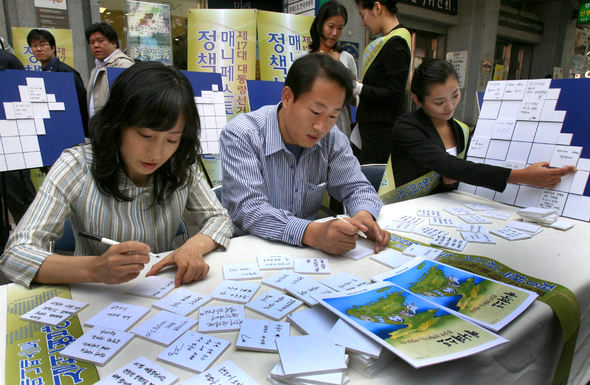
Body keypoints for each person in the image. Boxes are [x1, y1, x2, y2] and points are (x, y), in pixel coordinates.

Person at [0, 61, 233, 288]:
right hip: (98, 294)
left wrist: (193, 247)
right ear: (118, 123)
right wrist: (95, 268)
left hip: (162, 288)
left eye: (172, 139)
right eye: (145, 135)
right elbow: (15, 255)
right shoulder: (78, 165)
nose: (157, 153)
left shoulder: (179, 163)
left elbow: (219, 218)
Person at [220, 53, 389, 256]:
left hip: (307, 255)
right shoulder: (243, 134)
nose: (321, 127)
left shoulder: (331, 138)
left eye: (333, 116)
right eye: (316, 112)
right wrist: (312, 232)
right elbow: (248, 210)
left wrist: (363, 214)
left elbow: (356, 187)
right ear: (287, 97)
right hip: (250, 251)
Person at [381, 58, 576, 203]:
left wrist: (449, 183)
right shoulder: (407, 126)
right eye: (439, 102)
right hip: (403, 207)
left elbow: (454, 175)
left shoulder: (460, 129)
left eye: (455, 95)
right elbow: (448, 165)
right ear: (417, 99)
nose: (449, 107)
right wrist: (522, 176)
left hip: (445, 207)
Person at [354, 0, 411, 164]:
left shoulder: (395, 42)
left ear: (377, 8)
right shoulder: (389, 40)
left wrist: (358, 88)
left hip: (380, 134)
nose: (363, 23)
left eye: (362, 15)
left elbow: (394, 94)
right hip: (374, 132)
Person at [295, 0, 357, 137]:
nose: (335, 33)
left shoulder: (347, 58)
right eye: (331, 26)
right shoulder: (303, 58)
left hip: (340, 126)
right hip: (308, 124)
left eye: (340, 28)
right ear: (320, 24)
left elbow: (352, 95)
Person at [27, 29, 90, 137]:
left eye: (42, 45)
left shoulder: (65, 72)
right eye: (34, 45)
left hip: (70, 131)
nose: (38, 49)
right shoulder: (43, 72)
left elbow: (81, 105)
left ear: (53, 48)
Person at [85, 22, 134, 119]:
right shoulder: (96, 68)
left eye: (100, 41)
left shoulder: (123, 65)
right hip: (98, 127)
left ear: (113, 43)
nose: (96, 45)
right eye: (92, 42)